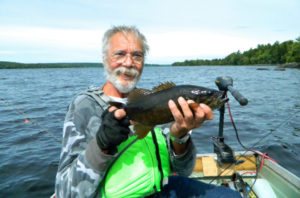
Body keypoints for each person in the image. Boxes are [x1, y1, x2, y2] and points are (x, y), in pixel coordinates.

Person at [54, 25, 242, 198]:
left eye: (137, 55)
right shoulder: (84, 106)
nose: (129, 62)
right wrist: (102, 144)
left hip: (162, 188)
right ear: (104, 60)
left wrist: (180, 136)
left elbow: (183, 170)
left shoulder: (155, 102)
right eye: (119, 54)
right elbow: (65, 193)